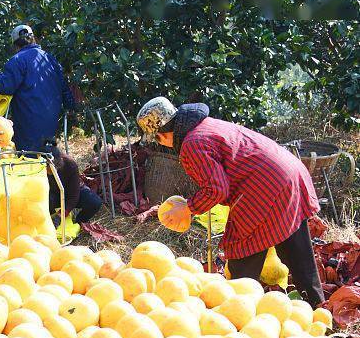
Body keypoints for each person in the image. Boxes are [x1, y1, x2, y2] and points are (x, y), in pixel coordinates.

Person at [136, 97, 324, 306]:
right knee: (299, 256)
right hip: (289, 173)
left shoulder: (191, 144)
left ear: (161, 136)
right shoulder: (206, 125)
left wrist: (189, 208)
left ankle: (239, 321)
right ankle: (320, 312)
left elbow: (216, 189)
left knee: (242, 261)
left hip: (263, 188)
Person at [0, 25, 76, 153]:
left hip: (28, 122)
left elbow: (5, 87)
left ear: (15, 45)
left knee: (29, 159)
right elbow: (64, 87)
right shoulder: (50, 58)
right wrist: (72, 107)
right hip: (51, 120)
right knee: (48, 156)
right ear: (33, 39)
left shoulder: (16, 61)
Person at [45, 142, 103, 226]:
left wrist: (61, 215)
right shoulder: (36, 166)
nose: (51, 171)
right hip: (51, 195)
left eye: (54, 168)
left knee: (94, 202)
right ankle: (49, 223)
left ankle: (78, 223)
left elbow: (74, 195)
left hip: (69, 193)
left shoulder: (70, 164)